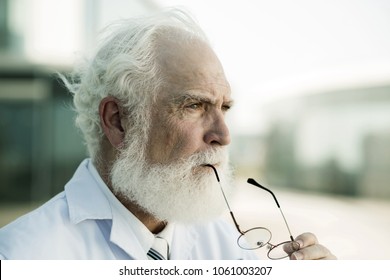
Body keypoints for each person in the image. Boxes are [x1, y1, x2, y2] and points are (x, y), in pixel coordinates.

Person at [0, 8, 336, 260]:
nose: (223, 134)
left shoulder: (226, 246)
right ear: (118, 121)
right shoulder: (24, 255)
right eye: (194, 106)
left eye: (225, 108)